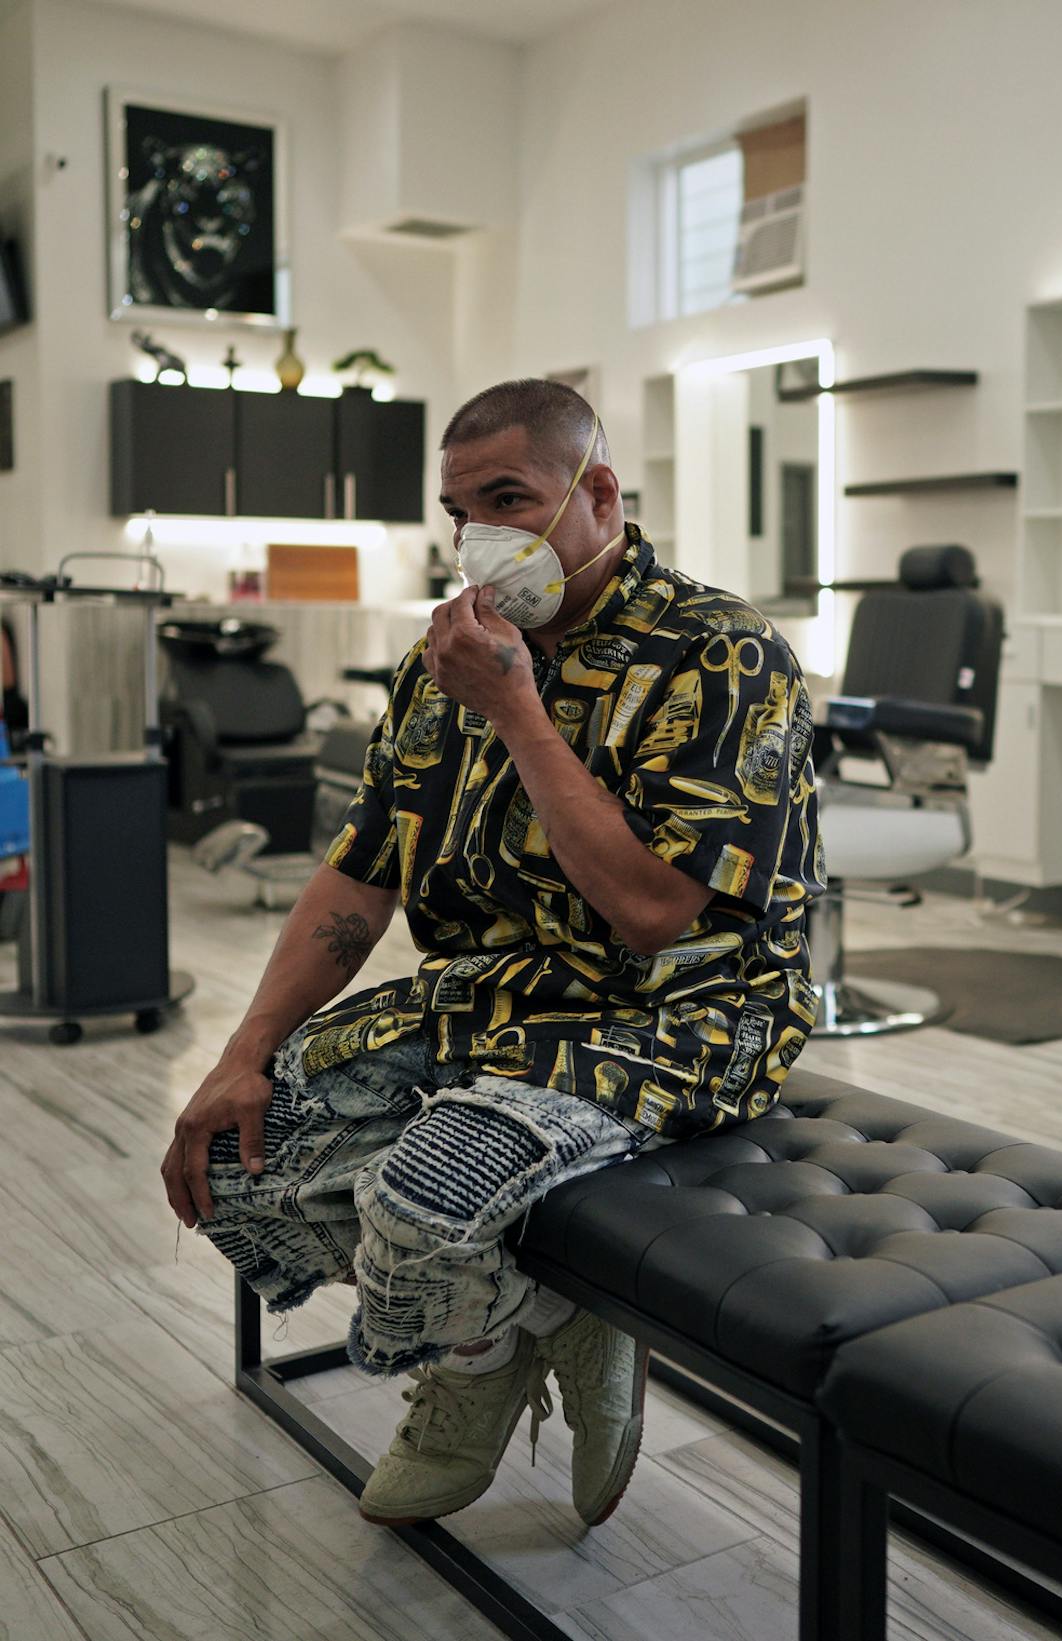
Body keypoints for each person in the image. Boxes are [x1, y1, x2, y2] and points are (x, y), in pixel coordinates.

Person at [161, 379, 824, 1528]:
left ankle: (468, 1363)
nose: (477, 539)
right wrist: (243, 1048)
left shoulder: (721, 656)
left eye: (508, 499)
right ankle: (533, 1318)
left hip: (685, 1014)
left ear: (599, 493)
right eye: (459, 510)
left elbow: (656, 913)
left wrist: (520, 714)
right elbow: (362, 869)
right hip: (501, 999)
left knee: (426, 1198)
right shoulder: (448, 662)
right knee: (225, 1162)